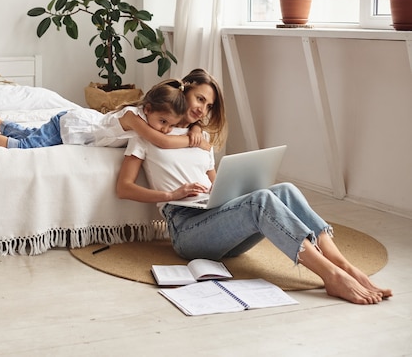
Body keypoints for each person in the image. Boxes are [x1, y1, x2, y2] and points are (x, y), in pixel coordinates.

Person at [116, 68, 392, 305]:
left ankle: (343, 265)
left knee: (285, 190)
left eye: (209, 105)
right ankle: (331, 276)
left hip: (217, 224)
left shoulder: (203, 140)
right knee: (260, 200)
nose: (203, 108)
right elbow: (124, 188)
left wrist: (226, 191)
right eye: (200, 98)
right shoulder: (148, 133)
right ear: (184, 91)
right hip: (186, 230)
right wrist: (172, 195)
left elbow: (216, 183)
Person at [0, 75, 213, 151]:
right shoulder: (133, 117)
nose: (165, 128)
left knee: (33, 134)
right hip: (73, 125)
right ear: (148, 109)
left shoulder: (159, 116)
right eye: (163, 122)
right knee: (26, 145)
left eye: (170, 124)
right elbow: (161, 141)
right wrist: (193, 140)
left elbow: (174, 130)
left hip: (75, 126)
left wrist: (197, 128)